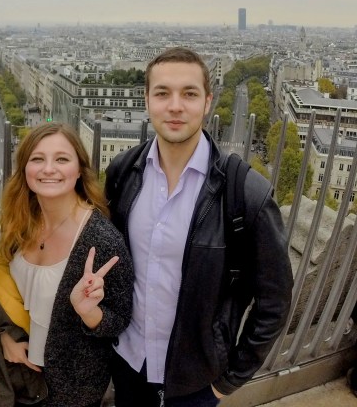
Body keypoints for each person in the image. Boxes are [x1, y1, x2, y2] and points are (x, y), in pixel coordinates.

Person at [104, 47, 293, 407]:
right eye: (163, 93)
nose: (175, 106)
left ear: (208, 102)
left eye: (189, 94)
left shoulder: (246, 194)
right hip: (129, 364)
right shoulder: (122, 173)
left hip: (195, 381)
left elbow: (275, 300)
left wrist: (227, 382)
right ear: (147, 100)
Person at [0, 122, 134, 407]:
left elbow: (119, 319)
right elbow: (4, 288)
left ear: (79, 170)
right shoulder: (20, 223)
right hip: (19, 381)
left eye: (61, 159)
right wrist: (5, 337)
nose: (48, 169)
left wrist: (88, 313)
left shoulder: (101, 240)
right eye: (37, 159)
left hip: (70, 392)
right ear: (25, 169)